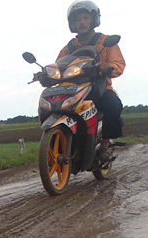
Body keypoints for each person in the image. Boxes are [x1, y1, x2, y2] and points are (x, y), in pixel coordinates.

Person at [50, 0, 126, 162]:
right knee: (52, 107)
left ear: (93, 20)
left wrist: (107, 67)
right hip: (71, 90)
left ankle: (105, 146)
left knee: (113, 105)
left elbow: (118, 65)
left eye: (85, 18)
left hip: (98, 89)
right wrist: (46, 75)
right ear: (72, 23)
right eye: (78, 19)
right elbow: (59, 67)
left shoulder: (105, 42)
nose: (82, 22)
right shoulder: (68, 48)